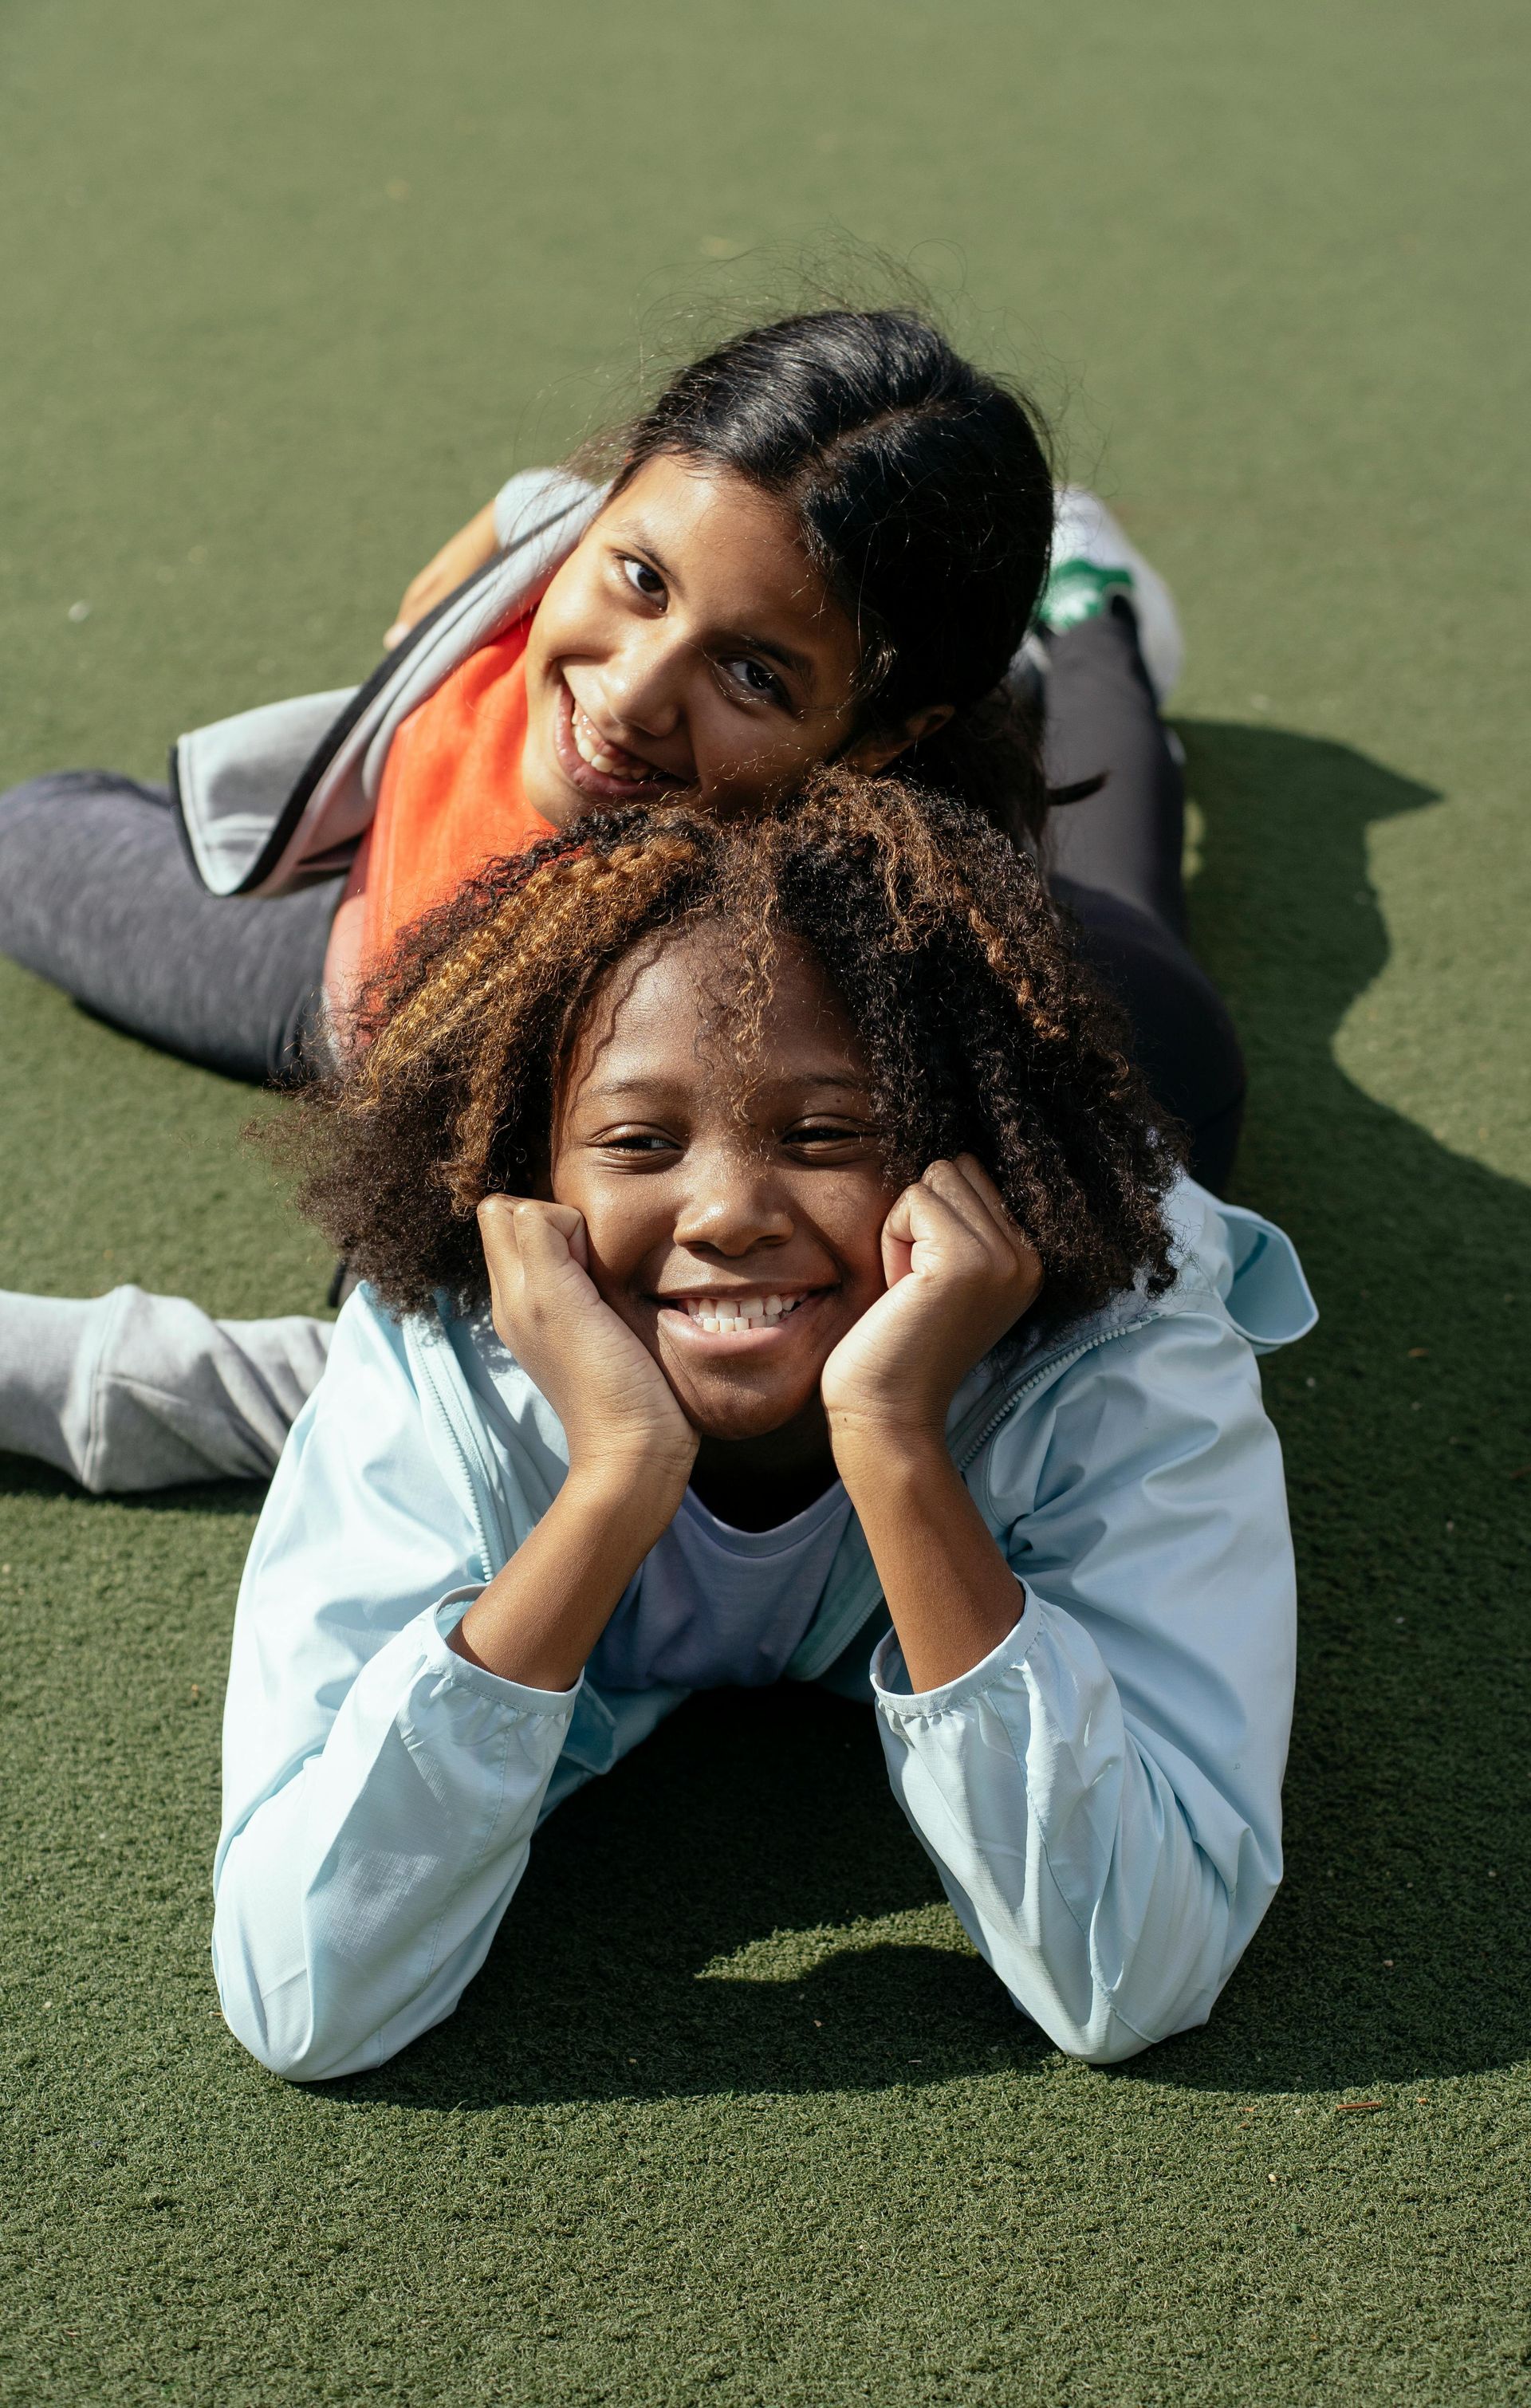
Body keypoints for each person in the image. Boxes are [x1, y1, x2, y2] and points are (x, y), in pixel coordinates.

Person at [0, 309, 1244, 1490]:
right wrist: (519, 521)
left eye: (753, 672)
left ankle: (1090, 619)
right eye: (641, 577)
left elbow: (440, 1410)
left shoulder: (751, 1020)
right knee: (26, 840)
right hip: (363, 966)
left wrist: (49, 1374)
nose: (633, 696)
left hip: (1116, 1002)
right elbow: (550, 518)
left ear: (876, 740)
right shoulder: (575, 552)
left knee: (1105, 883)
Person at [213, 773, 1313, 2080]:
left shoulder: (1122, 1343)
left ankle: (1092, 617)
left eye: (827, 1133)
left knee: (1129, 923)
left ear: (967, 1160)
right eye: (635, 1141)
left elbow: (1137, 1971)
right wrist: (615, 1480)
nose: (729, 1210)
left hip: (1139, 1061)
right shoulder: (445, 1350)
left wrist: (899, 1441)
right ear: (531, 1175)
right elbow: (303, 1995)